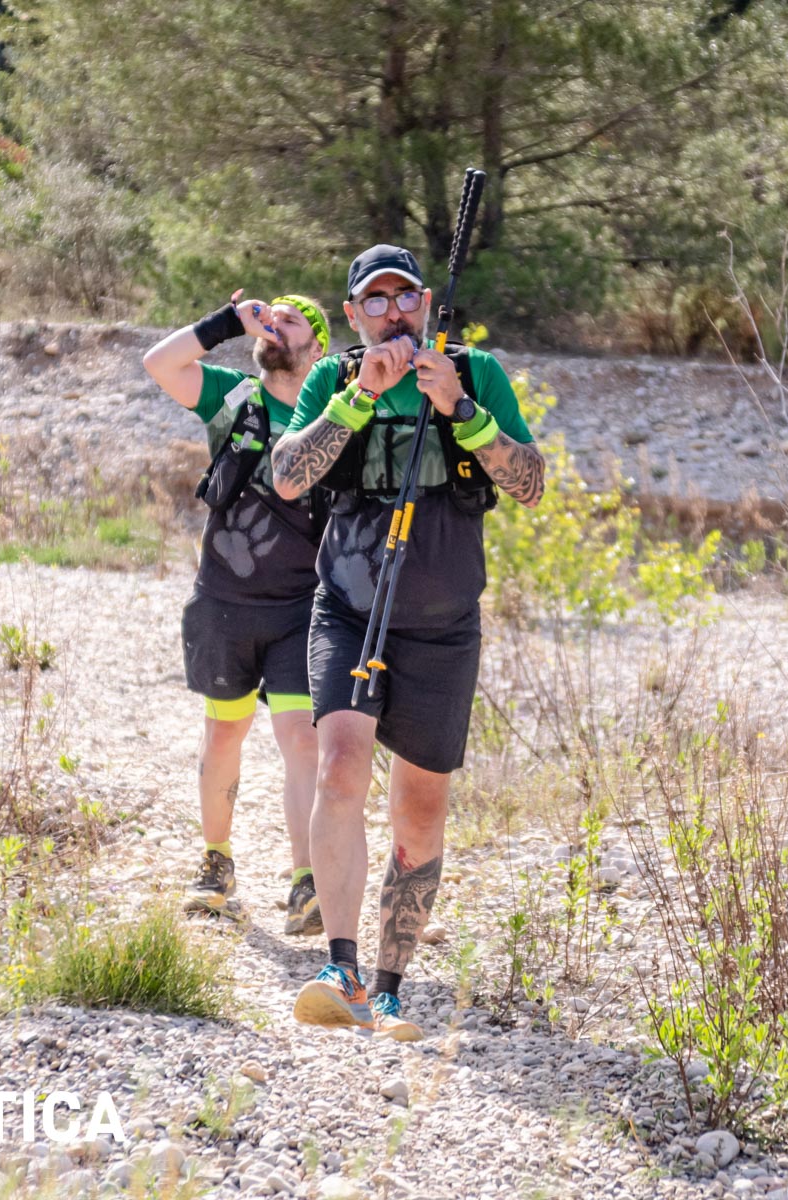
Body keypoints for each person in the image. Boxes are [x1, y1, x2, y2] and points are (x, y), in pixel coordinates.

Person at [270, 244, 546, 1040]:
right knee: (340, 765)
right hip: (349, 610)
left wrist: (461, 409)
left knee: (420, 814)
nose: (392, 313)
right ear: (352, 315)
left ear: (426, 303)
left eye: (403, 298)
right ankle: (342, 967)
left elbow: (530, 484)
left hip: (443, 623)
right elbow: (288, 475)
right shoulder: (334, 380)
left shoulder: (476, 374)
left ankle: (390, 986)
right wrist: (360, 397)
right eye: (375, 301)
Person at [142, 290, 333, 935]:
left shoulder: (330, 415)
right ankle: (216, 864)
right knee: (224, 731)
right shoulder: (234, 397)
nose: (273, 325)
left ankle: (306, 882)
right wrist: (226, 322)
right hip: (225, 601)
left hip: (301, 607)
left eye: (290, 320)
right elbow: (160, 364)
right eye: (268, 318)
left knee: (301, 738)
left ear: (318, 347)